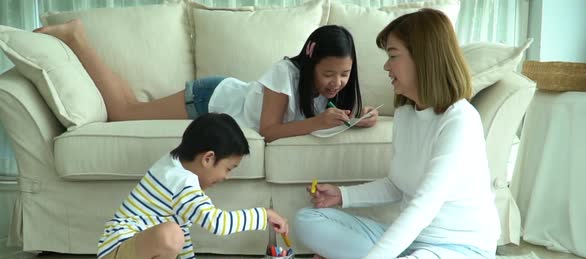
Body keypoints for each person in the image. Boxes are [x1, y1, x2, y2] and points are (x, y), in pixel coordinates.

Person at [293, 9, 500, 259]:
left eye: (393, 55)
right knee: (306, 220)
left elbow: (422, 207)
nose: (387, 66)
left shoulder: (461, 121)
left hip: (461, 252)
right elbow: (397, 184)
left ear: (423, 57)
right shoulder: (405, 114)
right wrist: (342, 195)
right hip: (410, 242)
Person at [34, 22, 379, 142]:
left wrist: (360, 118)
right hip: (210, 97)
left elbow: (341, 112)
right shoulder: (285, 73)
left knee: (133, 106)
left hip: (222, 97)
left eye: (344, 74)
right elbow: (268, 130)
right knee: (123, 113)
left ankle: (86, 47)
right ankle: (76, 38)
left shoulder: (333, 87)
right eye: (328, 74)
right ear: (310, 60)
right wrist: (317, 123)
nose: (337, 82)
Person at [96, 113, 289, 259]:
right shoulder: (180, 181)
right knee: (170, 233)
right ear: (208, 158)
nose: (226, 177)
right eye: (228, 169)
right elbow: (217, 224)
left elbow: (182, 226)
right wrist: (264, 215)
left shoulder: (174, 163)